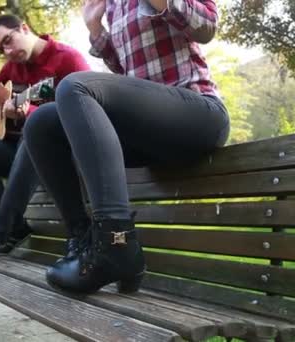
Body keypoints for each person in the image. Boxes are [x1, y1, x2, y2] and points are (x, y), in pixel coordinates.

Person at [22, 0, 230, 294]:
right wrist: (96, 28)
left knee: (74, 86)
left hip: (198, 115)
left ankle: (115, 243)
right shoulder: (115, 5)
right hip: (148, 133)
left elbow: (206, 26)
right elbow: (125, 71)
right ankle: (85, 243)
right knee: (41, 122)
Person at [0, 14, 90, 253]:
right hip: (21, 154)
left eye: (8, 40)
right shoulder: (13, 66)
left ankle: (0, 229)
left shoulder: (68, 59)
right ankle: (15, 229)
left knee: (34, 131)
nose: (7, 51)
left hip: (61, 155)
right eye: (1, 49)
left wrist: (28, 111)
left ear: (25, 28)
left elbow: (86, 110)